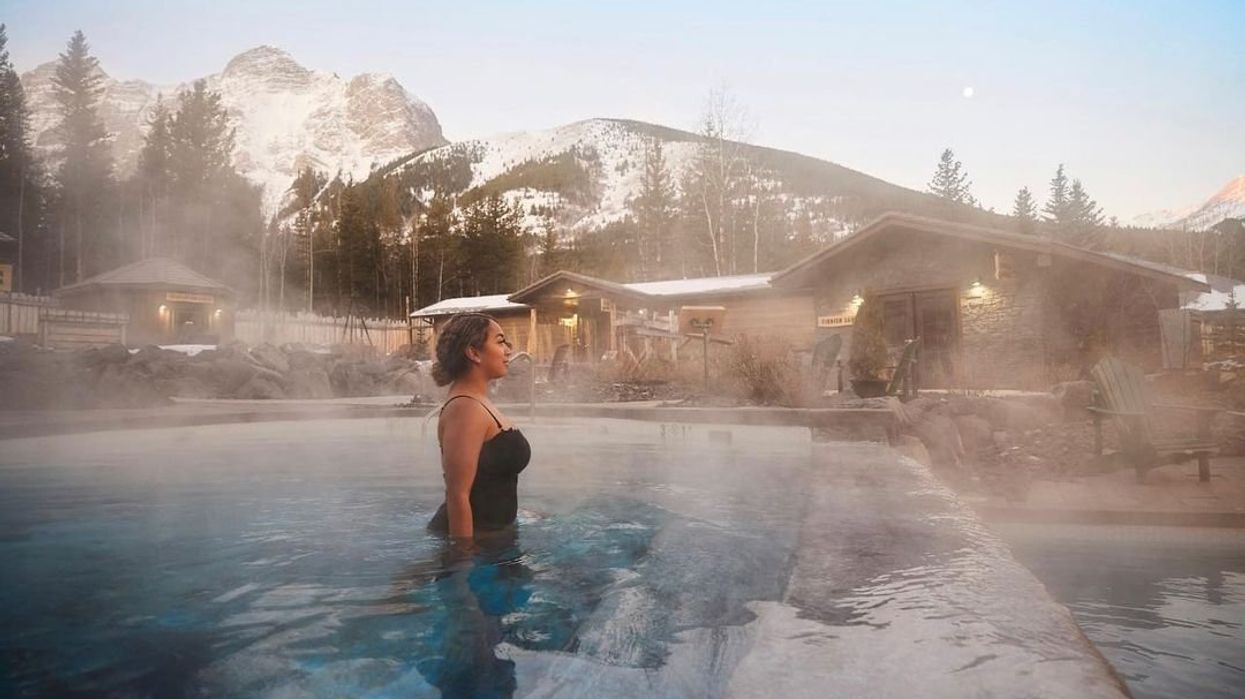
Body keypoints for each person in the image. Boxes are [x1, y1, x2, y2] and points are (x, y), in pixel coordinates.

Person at [427, 313, 531, 541]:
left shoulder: (477, 402)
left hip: (491, 538)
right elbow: (458, 495)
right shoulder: (465, 408)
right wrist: (462, 565)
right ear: (473, 353)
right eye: (500, 341)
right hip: (474, 542)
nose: (508, 350)